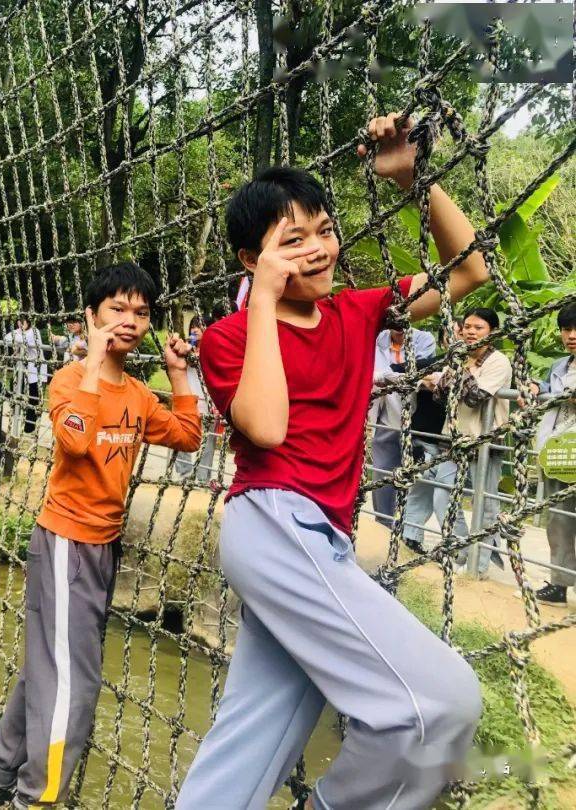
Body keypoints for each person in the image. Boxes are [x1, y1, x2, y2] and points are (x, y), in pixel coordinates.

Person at [177, 113, 488, 810]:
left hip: (325, 541)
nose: (317, 250)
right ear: (249, 260)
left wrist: (412, 176)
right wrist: (263, 295)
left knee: (249, 739)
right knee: (440, 705)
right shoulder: (227, 338)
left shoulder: (358, 313)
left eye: (323, 231)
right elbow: (267, 424)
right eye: (291, 241)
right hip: (273, 523)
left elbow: (470, 268)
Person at [0, 263, 201, 808]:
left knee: (50, 665)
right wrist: (93, 358)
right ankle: (39, 795)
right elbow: (73, 441)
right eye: (117, 309)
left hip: (102, 545)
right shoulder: (69, 380)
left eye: (141, 313)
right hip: (66, 541)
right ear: (89, 318)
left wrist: (179, 373)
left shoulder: (141, 396)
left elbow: (188, 435)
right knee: (76, 678)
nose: (130, 321)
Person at [429, 308, 511, 575]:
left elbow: (475, 396)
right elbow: (439, 394)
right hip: (453, 440)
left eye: (478, 328)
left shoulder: (498, 362)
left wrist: (456, 364)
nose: (470, 332)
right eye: (467, 327)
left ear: (493, 333)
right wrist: (457, 362)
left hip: (485, 442)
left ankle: (479, 566)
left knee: (485, 506)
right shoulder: (461, 358)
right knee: (442, 497)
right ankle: (464, 552)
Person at [527, 304, 576, 606]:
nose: (571, 335)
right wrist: (537, 387)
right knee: (559, 520)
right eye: (566, 329)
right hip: (560, 455)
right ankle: (559, 583)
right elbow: (549, 390)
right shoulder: (559, 365)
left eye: (575, 329)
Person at [370, 326, 436, 527]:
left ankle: (409, 529)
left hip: (417, 418)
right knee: (382, 471)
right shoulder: (376, 337)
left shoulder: (424, 339)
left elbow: (424, 369)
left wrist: (388, 374)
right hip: (385, 415)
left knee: (418, 475)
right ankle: (384, 523)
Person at [174, 316, 219, 483]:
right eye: (192, 326)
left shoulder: (214, 350)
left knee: (208, 443)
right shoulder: (186, 349)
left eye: (199, 326)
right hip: (189, 400)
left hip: (209, 402)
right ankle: (184, 474)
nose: (195, 329)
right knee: (180, 436)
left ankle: (202, 478)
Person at [3, 316, 47, 434]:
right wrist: (17, 334)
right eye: (18, 322)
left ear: (28, 322)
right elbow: (6, 338)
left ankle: (29, 427)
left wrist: (16, 335)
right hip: (22, 370)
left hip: (35, 371)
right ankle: (15, 411)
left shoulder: (34, 332)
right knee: (15, 389)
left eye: (22, 322)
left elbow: (23, 340)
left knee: (33, 398)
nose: (20, 324)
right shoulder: (19, 332)